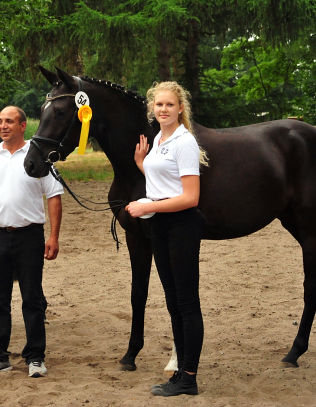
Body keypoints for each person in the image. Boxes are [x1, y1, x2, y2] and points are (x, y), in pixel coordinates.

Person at [125, 82, 208, 396]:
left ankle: (189, 377)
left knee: (187, 304)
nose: (163, 109)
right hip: (160, 226)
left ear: (180, 108)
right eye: (158, 105)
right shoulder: (160, 138)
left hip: (182, 225)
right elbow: (166, 182)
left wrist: (148, 205)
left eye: (169, 105)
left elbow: (190, 197)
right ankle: (180, 375)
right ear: (152, 109)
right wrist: (143, 166)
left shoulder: (184, 142)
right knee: (173, 303)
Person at [0, 106, 62, 378]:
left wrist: (53, 235)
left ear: (23, 126)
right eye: (0, 121)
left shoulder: (38, 155)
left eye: (9, 121)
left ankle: (35, 357)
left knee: (32, 299)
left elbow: (54, 197)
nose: (3, 126)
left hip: (29, 235)